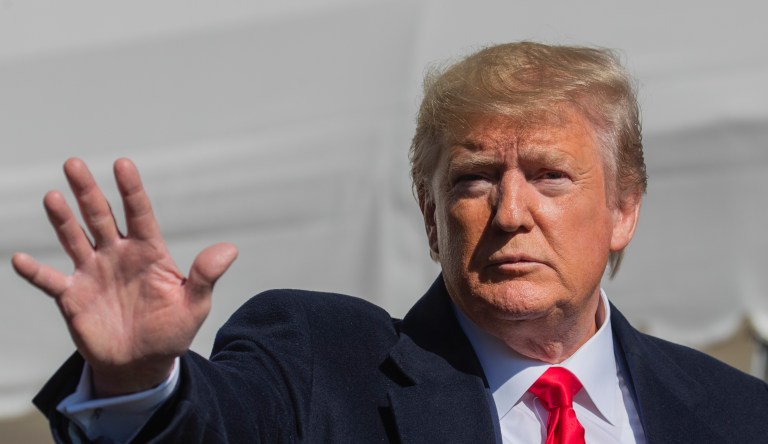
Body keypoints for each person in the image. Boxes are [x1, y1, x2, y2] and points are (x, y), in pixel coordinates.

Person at [13, 42, 768, 443]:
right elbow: (217, 425)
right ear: (431, 216)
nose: (510, 212)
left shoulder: (739, 415)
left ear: (623, 210)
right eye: (474, 179)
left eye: (549, 176)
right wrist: (139, 382)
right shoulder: (321, 365)